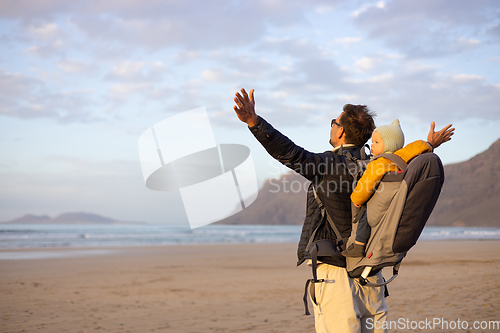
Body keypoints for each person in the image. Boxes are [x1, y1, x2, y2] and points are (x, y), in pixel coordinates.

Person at [233, 88, 454, 333]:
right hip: (372, 273)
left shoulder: (328, 165)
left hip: (335, 272)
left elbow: (288, 152)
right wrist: (429, 144)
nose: (332, 127)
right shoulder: (382, 165)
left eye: (333, 123)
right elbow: (409, 160)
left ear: (340, 130)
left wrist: (254, 122)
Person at [342, 119, 434, 257]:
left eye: (377, 142)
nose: (372, 145)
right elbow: (416, 147)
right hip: (395, 204)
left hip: (380, 205)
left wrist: (357, 199)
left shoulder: (379, 163)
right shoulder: (403, 157)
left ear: (390, 144)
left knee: (364, 215)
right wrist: (429, 144)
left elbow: (366, 184)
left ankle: (359, 245)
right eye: (372, 142)